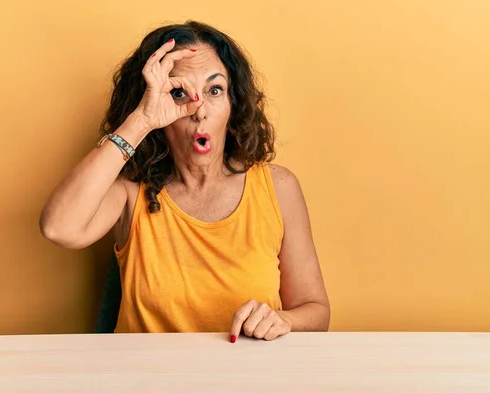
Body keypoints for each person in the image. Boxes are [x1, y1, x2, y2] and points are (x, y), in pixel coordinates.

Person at [39, 20, 330, 342]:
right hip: (147, 383)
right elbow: (59, 228)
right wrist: (141, 121)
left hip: (247, 381)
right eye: (178, 93)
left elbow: (315, 310)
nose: (199, 111)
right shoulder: (128, 193)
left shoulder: (278, 186)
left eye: (214, 90)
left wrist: (281, 320)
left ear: (234, 103)